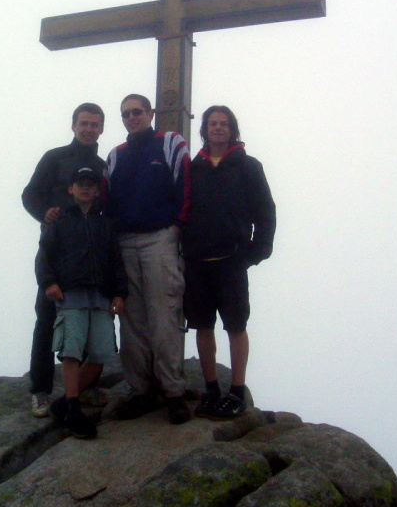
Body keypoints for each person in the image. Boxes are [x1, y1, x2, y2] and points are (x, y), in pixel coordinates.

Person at [182, 105, 276, 419]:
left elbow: (265, 211)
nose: (218, 128)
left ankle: (236, 392)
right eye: (213, 123)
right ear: (205, 129)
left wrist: (256, 252)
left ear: (232, 129)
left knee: (236, 326)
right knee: (202, 325)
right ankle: (211, 389)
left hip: (231, 261)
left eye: (223, 123)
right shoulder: (194, 167)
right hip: (197, 261)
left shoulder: (247, 166)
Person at [105, 94, 192, 424]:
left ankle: (173, 392)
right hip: (126, 242)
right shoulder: (116, 156)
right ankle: (140, 391)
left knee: (164, 316)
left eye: (137, 112)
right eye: (125, 114)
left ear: (150, 113)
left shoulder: (170, 142)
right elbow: (107, 200)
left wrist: (177, 226)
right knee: (132, 322)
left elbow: (185, 185)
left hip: (160, 238)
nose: (132, 117)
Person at [22, 103, 107, 417]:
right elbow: (30, 195)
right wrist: (44, 214)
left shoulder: (103, 166)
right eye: (84, 123)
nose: (89, 129)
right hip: (57, 249)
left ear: (101, 128)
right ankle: (40, 390)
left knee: (90, 317)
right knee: (47, 318)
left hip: (92, 253)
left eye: (94, 124)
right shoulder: (54, 158)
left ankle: (86, 386)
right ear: (73, 126)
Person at [35, 166, 127, 438]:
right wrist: (49, 282)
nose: (85, 187)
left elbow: (116, 261)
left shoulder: (105, 224)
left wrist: (120, 293)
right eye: (80, 183)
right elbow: (44, 255)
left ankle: (64, 403)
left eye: (91, 184)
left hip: (101, 296)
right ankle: (74, 410)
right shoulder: (59, 221)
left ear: (98, 190)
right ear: (71, 189)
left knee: (101, 355)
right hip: (71, 294)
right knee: (71, 352)